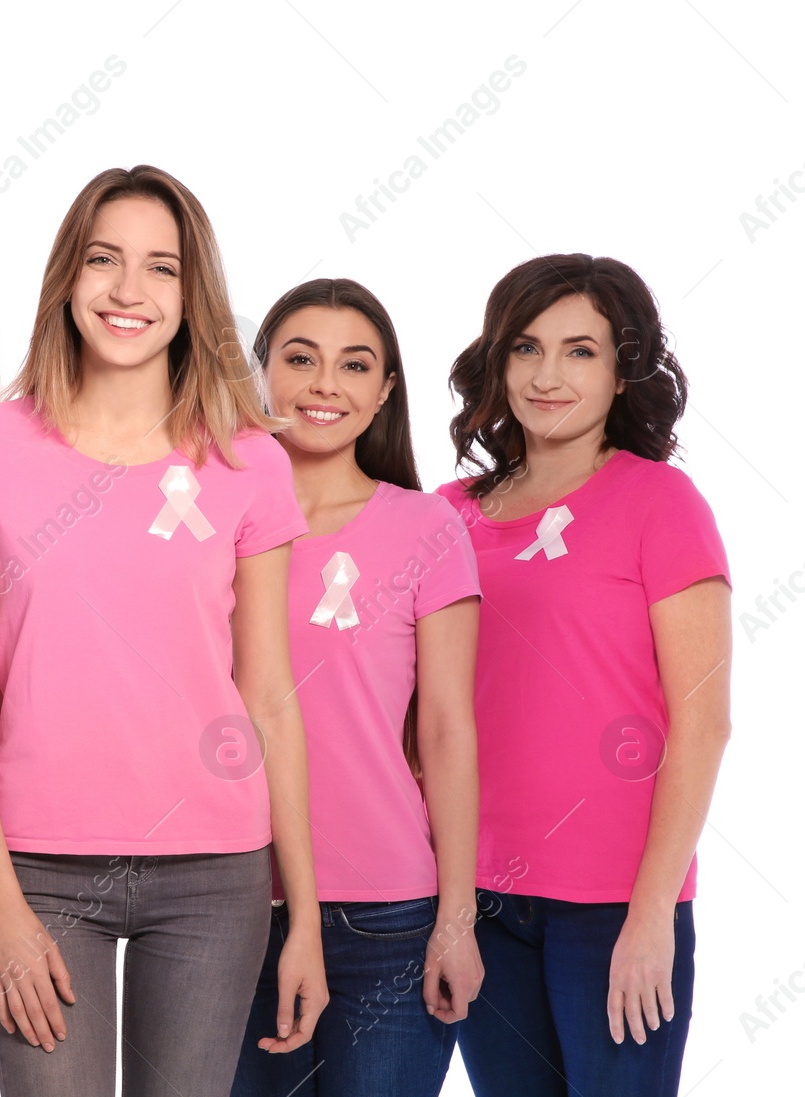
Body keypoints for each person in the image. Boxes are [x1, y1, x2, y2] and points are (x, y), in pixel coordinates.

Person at [0, 165, 327, 1097]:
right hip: (38, 870)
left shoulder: (249, 461)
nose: (128, 291)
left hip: (216, 872)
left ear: (194, 298)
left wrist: (301, 910)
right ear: (69, 276)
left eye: (161, 268)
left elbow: (268, 691)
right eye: (105, 260)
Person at [436, 254, 731, 1096]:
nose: (548, 375)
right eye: (526, 348)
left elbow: (703, 722)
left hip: (615, 905)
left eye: (581, 351)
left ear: (623, 367)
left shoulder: (661, 502)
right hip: (478, 899)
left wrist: (651, 915)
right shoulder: (449, 514)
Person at [231, 278, 483, 1096]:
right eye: (300, 359)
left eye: (354, 364)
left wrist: (455, 919)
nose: (324, 384)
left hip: (387, 915)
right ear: (261, 371)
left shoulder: (426, 527)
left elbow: (446, 729)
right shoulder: (211, 517)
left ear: (384, 391)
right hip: (230, 904)